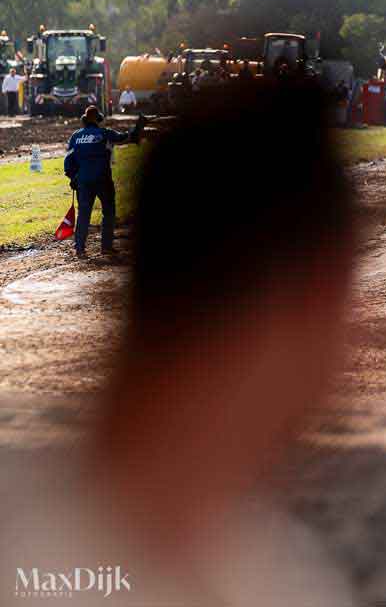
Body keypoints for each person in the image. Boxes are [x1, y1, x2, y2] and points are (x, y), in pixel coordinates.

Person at [2, 81, 355, 606]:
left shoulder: (24, 529)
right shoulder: (273, 579)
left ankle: (82, 247)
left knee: (90, 222)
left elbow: (78, 162)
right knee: (104, 216)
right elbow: (121, 142)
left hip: (85, 185)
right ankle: (95, 242)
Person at [63, 106, 145, 258]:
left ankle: (80, 249)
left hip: (83, 181)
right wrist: (139, 127)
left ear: (85, 120)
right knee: (108, 212)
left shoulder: (76, 136)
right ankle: (106, 247)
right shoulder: (105, 133)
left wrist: (73, 178)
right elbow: (127, 137)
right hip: (103, 180)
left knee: (84, 214)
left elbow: (68, 161)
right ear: (98, 119)